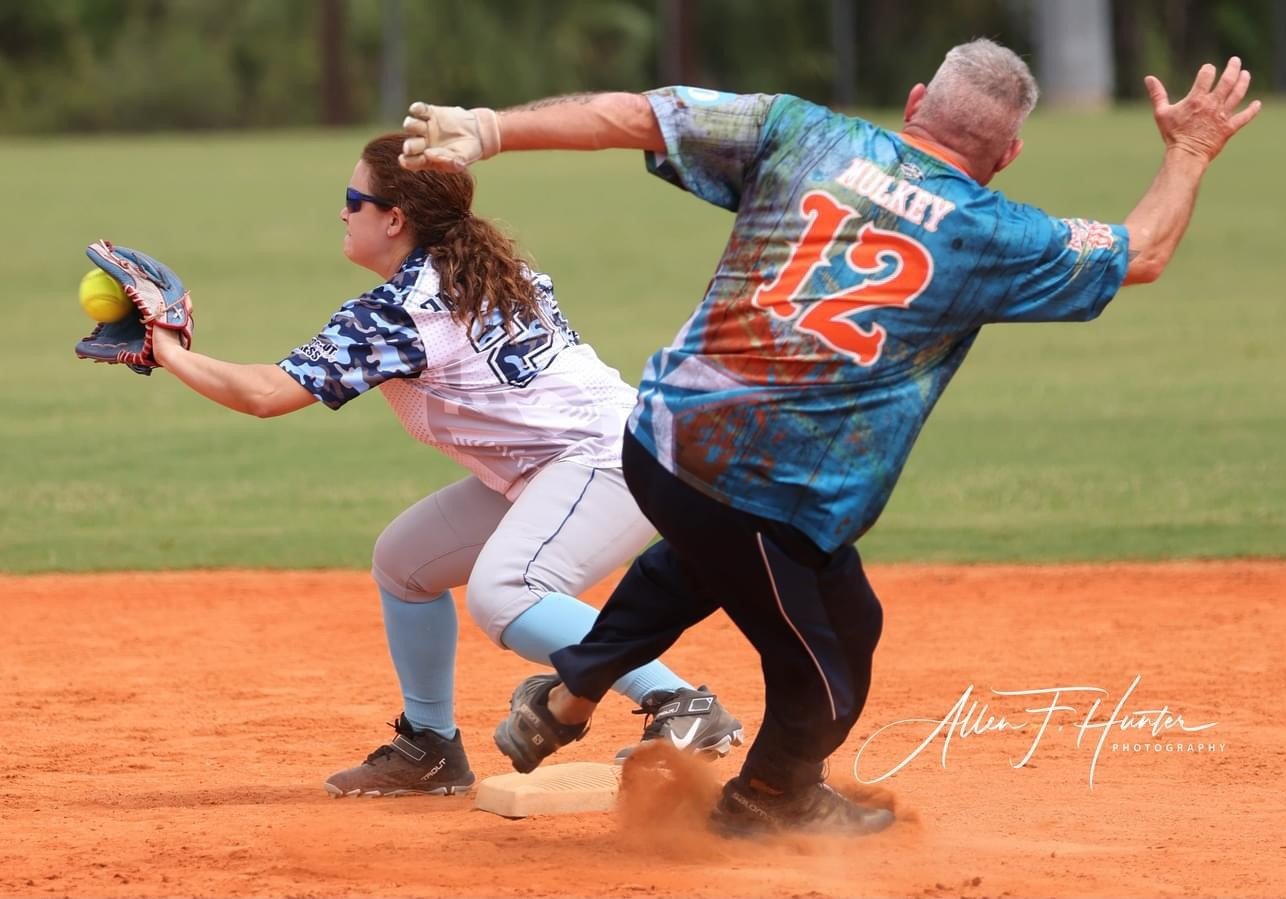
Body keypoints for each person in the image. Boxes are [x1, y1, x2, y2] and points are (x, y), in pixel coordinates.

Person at [398, 40, 1261, 835]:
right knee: (829, 670)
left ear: (916, 100)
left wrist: (489, 128)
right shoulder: (994, 233)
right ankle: (769, 800)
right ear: (1006, 156)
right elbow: (1140, 251)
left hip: (658, 441)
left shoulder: (798, 131)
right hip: (771, 492)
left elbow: (641, 112)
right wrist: (1190, 148)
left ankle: (573, 692)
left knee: (720, 568)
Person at [148, 133, 744, 799]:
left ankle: (680, 701)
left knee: (506, 593)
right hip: (576, 455)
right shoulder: (478, 265)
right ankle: (430, 747)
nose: (343, 213)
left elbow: (265, 396)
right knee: (407, 562)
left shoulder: (399, 313)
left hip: (606, 460)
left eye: (354, 201)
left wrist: (166, 349)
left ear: (395, 219)